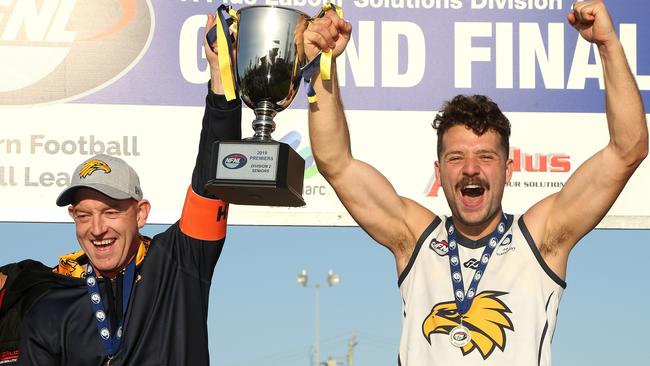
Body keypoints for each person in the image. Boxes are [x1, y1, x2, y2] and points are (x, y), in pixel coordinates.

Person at [304, 1, 647, 364]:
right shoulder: (415, 239)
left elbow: (628, 149)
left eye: (485, 156)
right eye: (456, 158)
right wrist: (322, 66)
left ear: (509, 169)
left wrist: (608, 46)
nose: (470, 169)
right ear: (439, 173)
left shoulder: (541, 240)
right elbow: (336, 163)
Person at [16, 13, 241, 366]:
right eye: (85, 215)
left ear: (141, 213)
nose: (98, 228)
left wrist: (220, 78)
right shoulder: (49, 308)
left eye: (110, 211)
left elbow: (216, 176)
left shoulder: (179, 264)